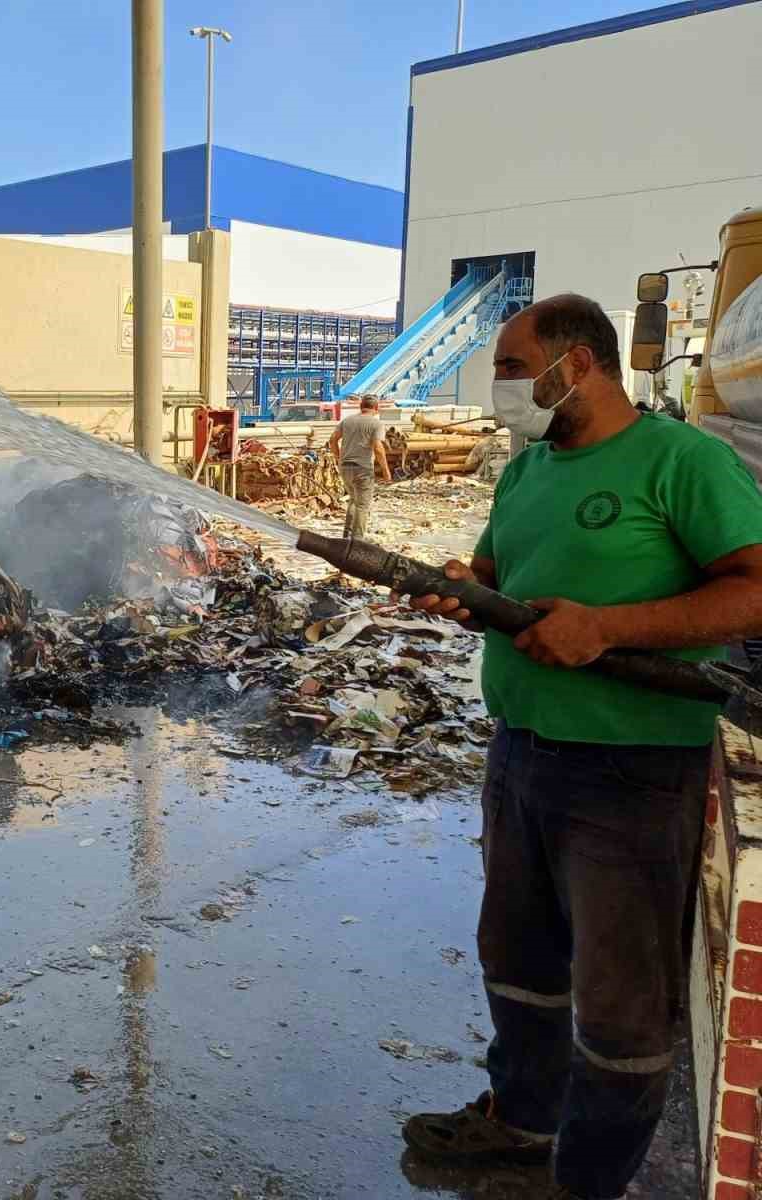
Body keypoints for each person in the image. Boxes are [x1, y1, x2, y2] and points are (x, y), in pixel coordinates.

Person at [399, 293, 762, 1199]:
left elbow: (754, 589)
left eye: (516, 368)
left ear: (580, 365)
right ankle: (523, 1122)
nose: (501, 387)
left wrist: (607, 628)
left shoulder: (682, 461)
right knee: (516, 959)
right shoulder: (525, 472)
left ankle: (590, 1179)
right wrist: (456, 585)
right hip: (520, 752)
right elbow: (491, 573)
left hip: (631, 774)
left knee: (619, 998)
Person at [327, 394, 391, 538]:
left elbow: (332, 440)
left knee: (353, 500)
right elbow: (378, 448)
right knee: (362, 506)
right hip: (362, 469)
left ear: (361, 407)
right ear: (376, 408)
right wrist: (386, 471)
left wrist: (338, 457)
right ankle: (357, 542)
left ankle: (347, 536)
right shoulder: (376, 424)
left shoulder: (347, 421)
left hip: (345, 467)